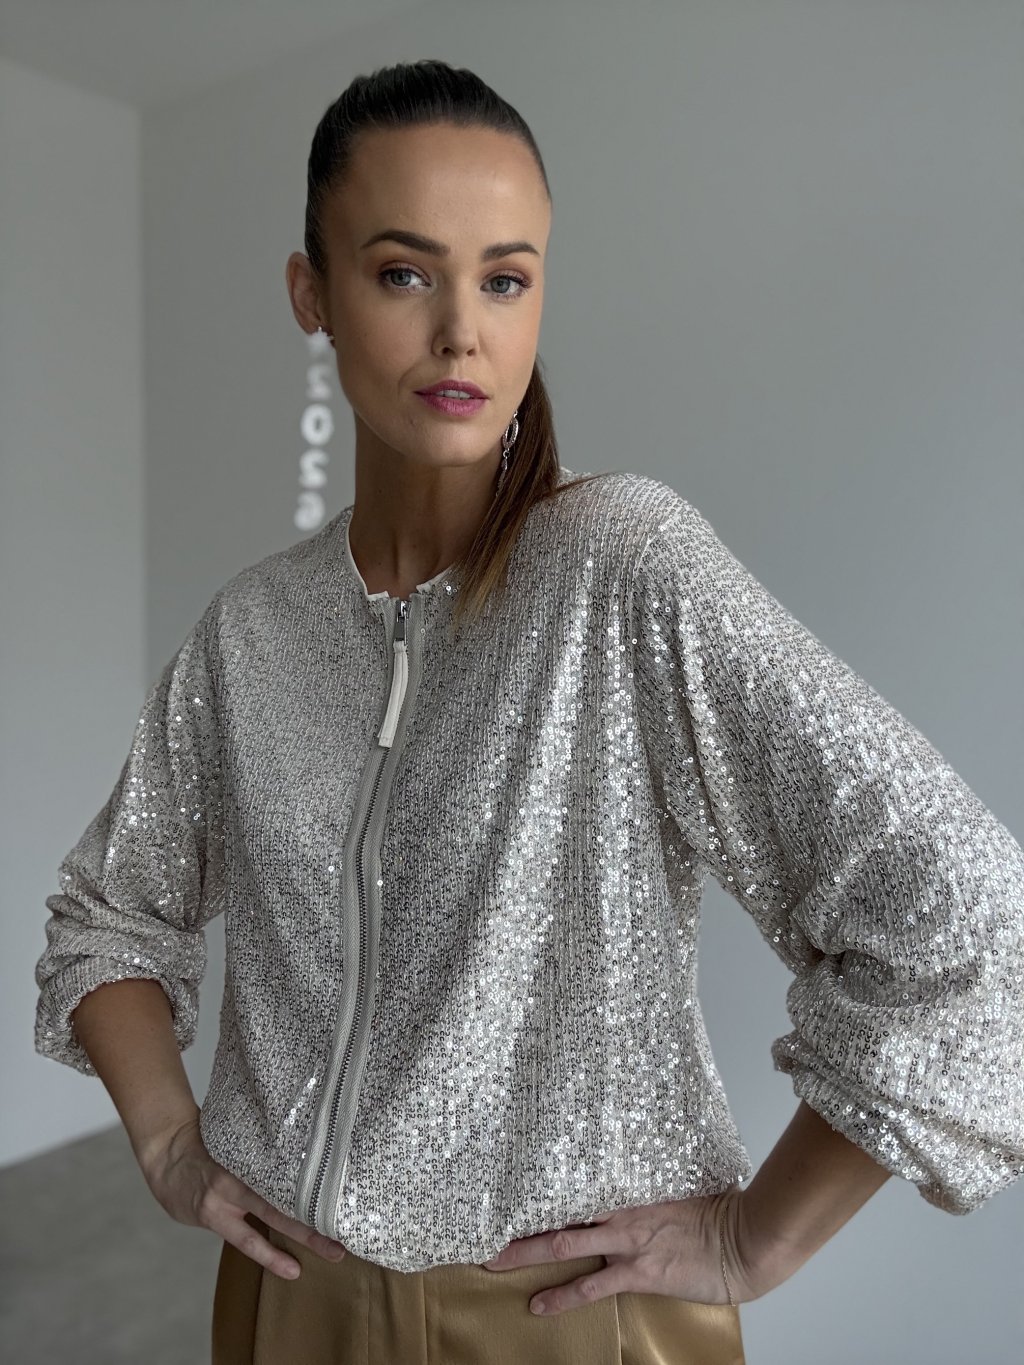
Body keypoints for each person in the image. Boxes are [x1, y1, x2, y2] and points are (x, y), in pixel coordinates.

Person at [33, 59, 1024, 1365]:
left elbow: (966, 918)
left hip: (569, 1319)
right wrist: (170, 1143)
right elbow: (110, 912)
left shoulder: (621, 567)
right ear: (312, 294)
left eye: (505, 279)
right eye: (404, 273)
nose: (463, 331)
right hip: (290, 1299)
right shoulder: (253, 631)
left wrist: (753, 1241)